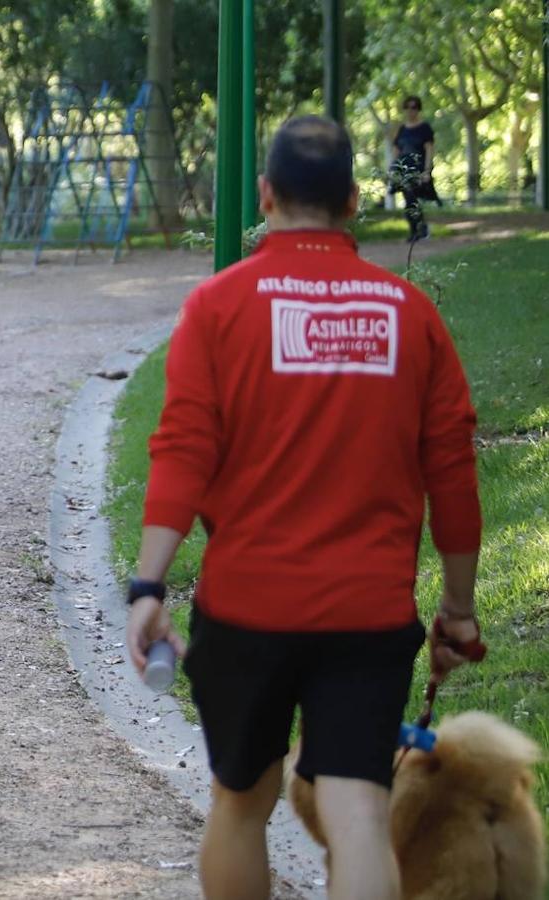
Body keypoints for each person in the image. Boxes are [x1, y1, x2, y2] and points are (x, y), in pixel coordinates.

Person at [125, 116, 482, 900]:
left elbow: (181, 450)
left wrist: (148, 586)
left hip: (246, 609)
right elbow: (452, 471)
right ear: (354, 200)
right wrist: (456, 610)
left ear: (265, 196)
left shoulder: (218, 308)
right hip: (367, 611)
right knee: (357, 808)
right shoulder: (409, 315)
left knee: (241, 800)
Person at [390, 95, 440, 243]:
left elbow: (429, 149)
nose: (411, 111)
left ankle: (420, 228)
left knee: (412, 198)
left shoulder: (424, 129)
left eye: (414, 107)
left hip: (418, 168)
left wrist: (426, 171)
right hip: (403, 168)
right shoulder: (402, 129)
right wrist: (393, 169)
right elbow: (396, 149)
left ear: (418, 109)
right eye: (408, 107)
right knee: (408, 199)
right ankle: (416, 230)